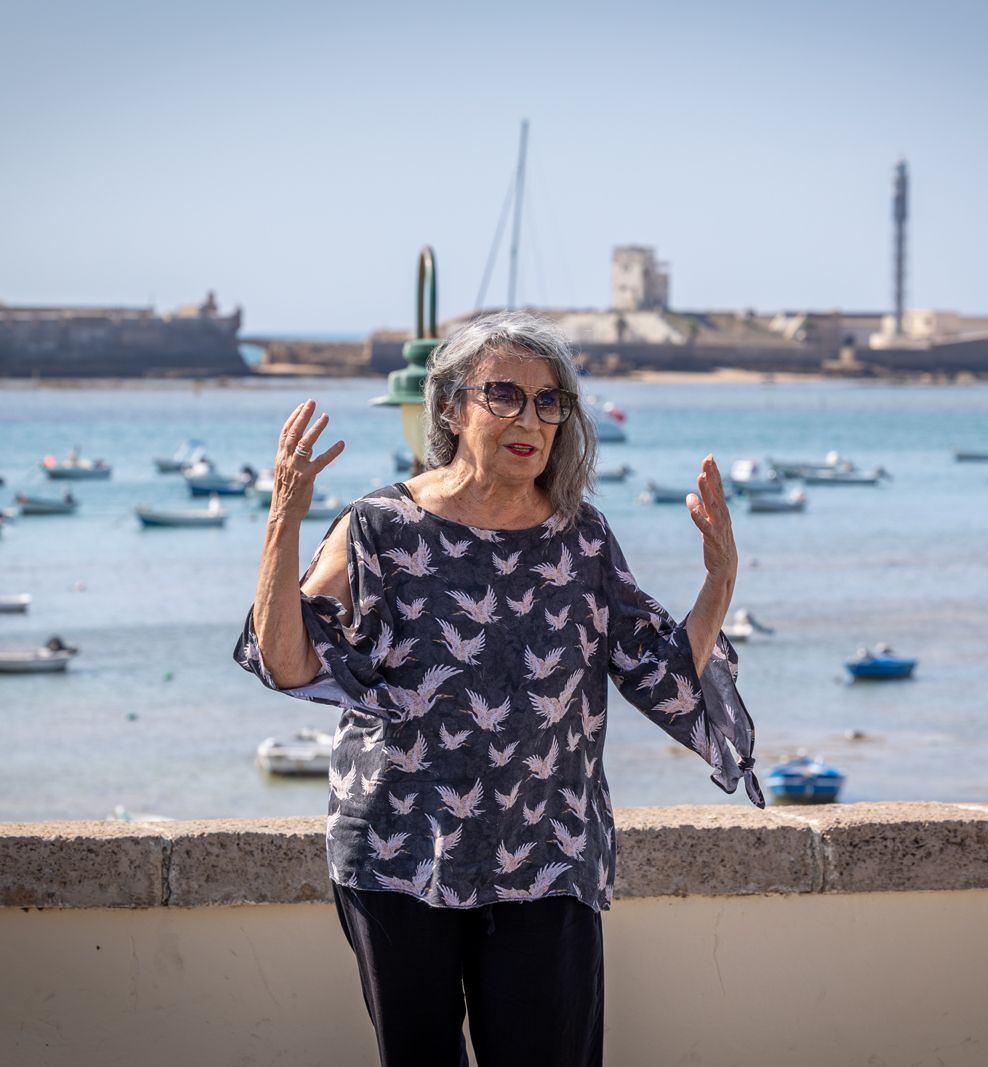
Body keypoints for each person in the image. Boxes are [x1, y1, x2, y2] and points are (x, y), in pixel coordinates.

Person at [234, 310, 762, 1067]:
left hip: (549, 856)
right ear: (450, 407)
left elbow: (667, 678)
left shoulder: (582, 538)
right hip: (399, 853)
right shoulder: (381, 528)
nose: (532, 418)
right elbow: (287, 661)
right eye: (505, 395)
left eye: (551, 401)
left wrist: (719, 581)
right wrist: (282, 518)